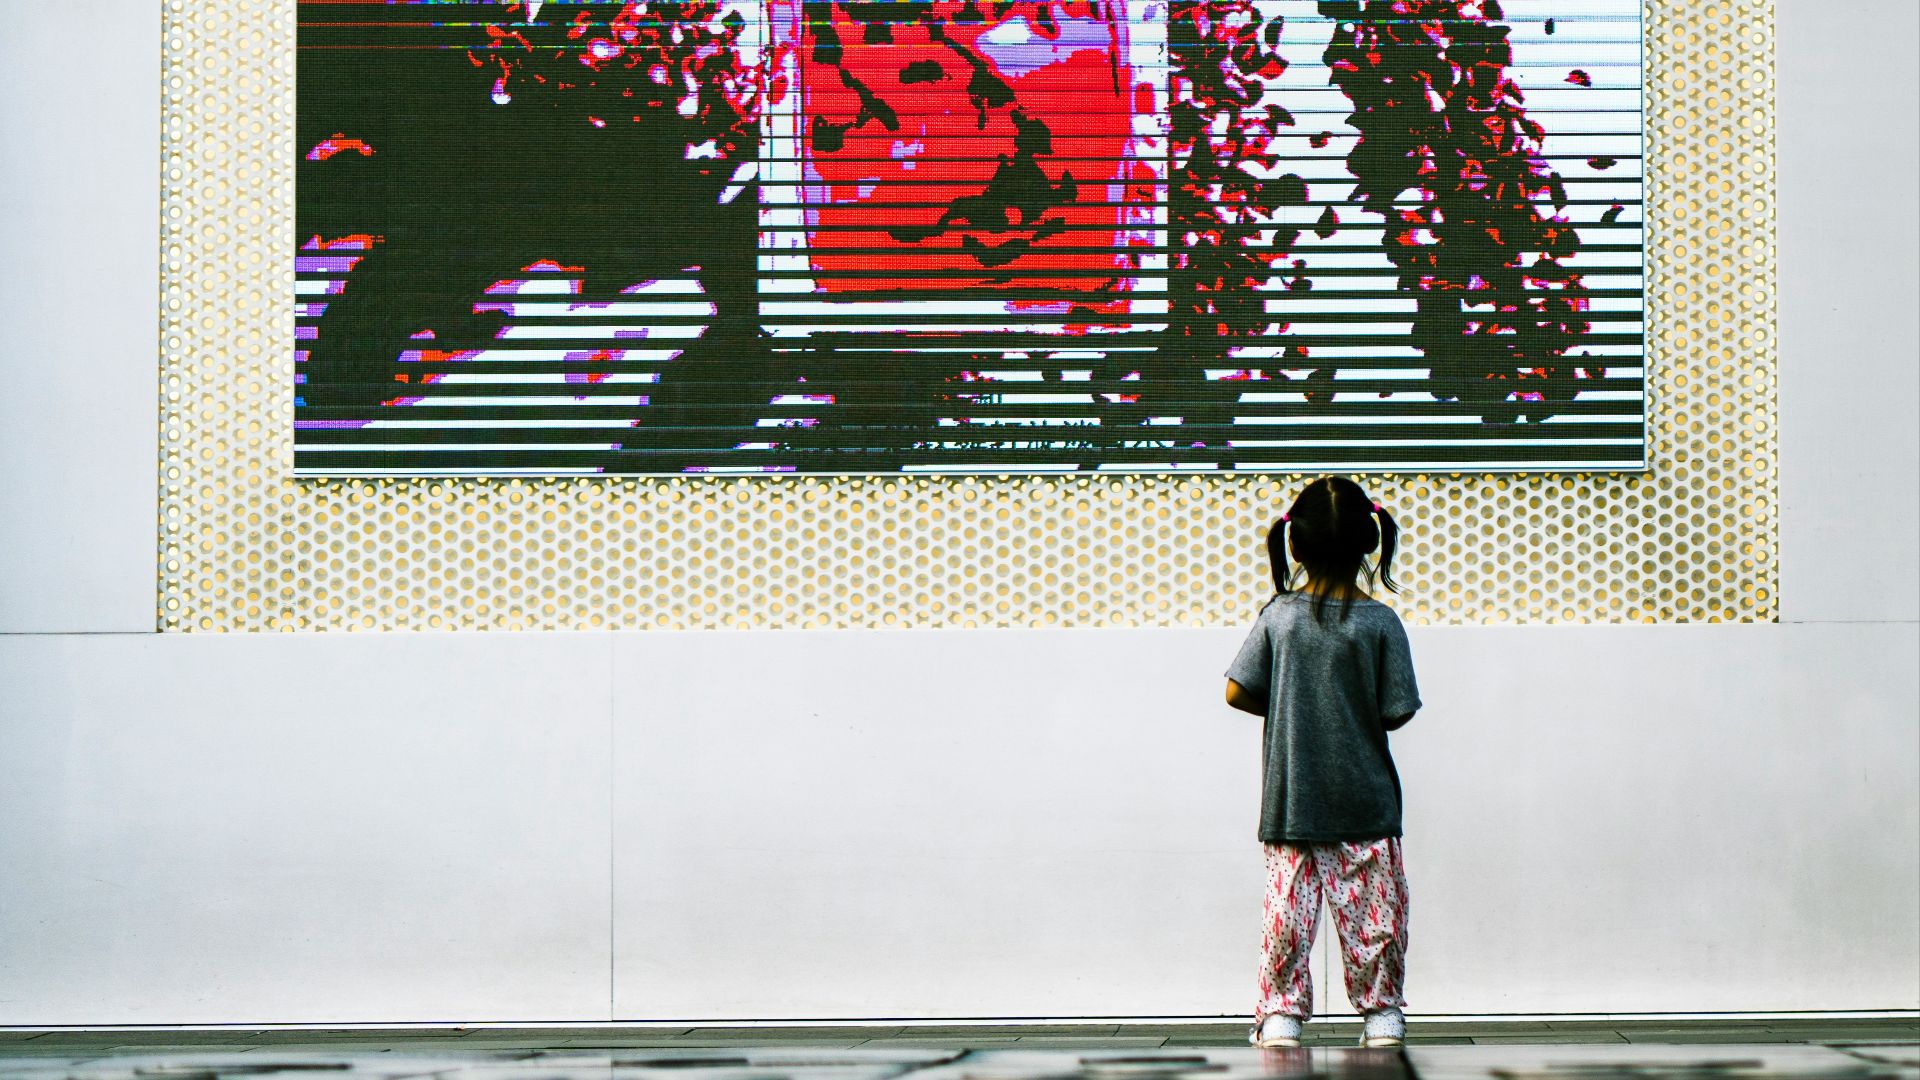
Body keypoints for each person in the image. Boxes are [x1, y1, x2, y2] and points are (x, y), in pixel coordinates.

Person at [1224, 476, 1421, 1049]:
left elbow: (1236, 692)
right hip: (1367, 800)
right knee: (1376, 920)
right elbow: (1396, 711)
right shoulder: (1381, 623)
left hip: (1292, 798)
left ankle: (1281, 1018)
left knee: (1286, 916)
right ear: (1368, 546)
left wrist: (1290, 698)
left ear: (1296, 546)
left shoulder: (1278, 618)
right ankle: (1382, 1016)